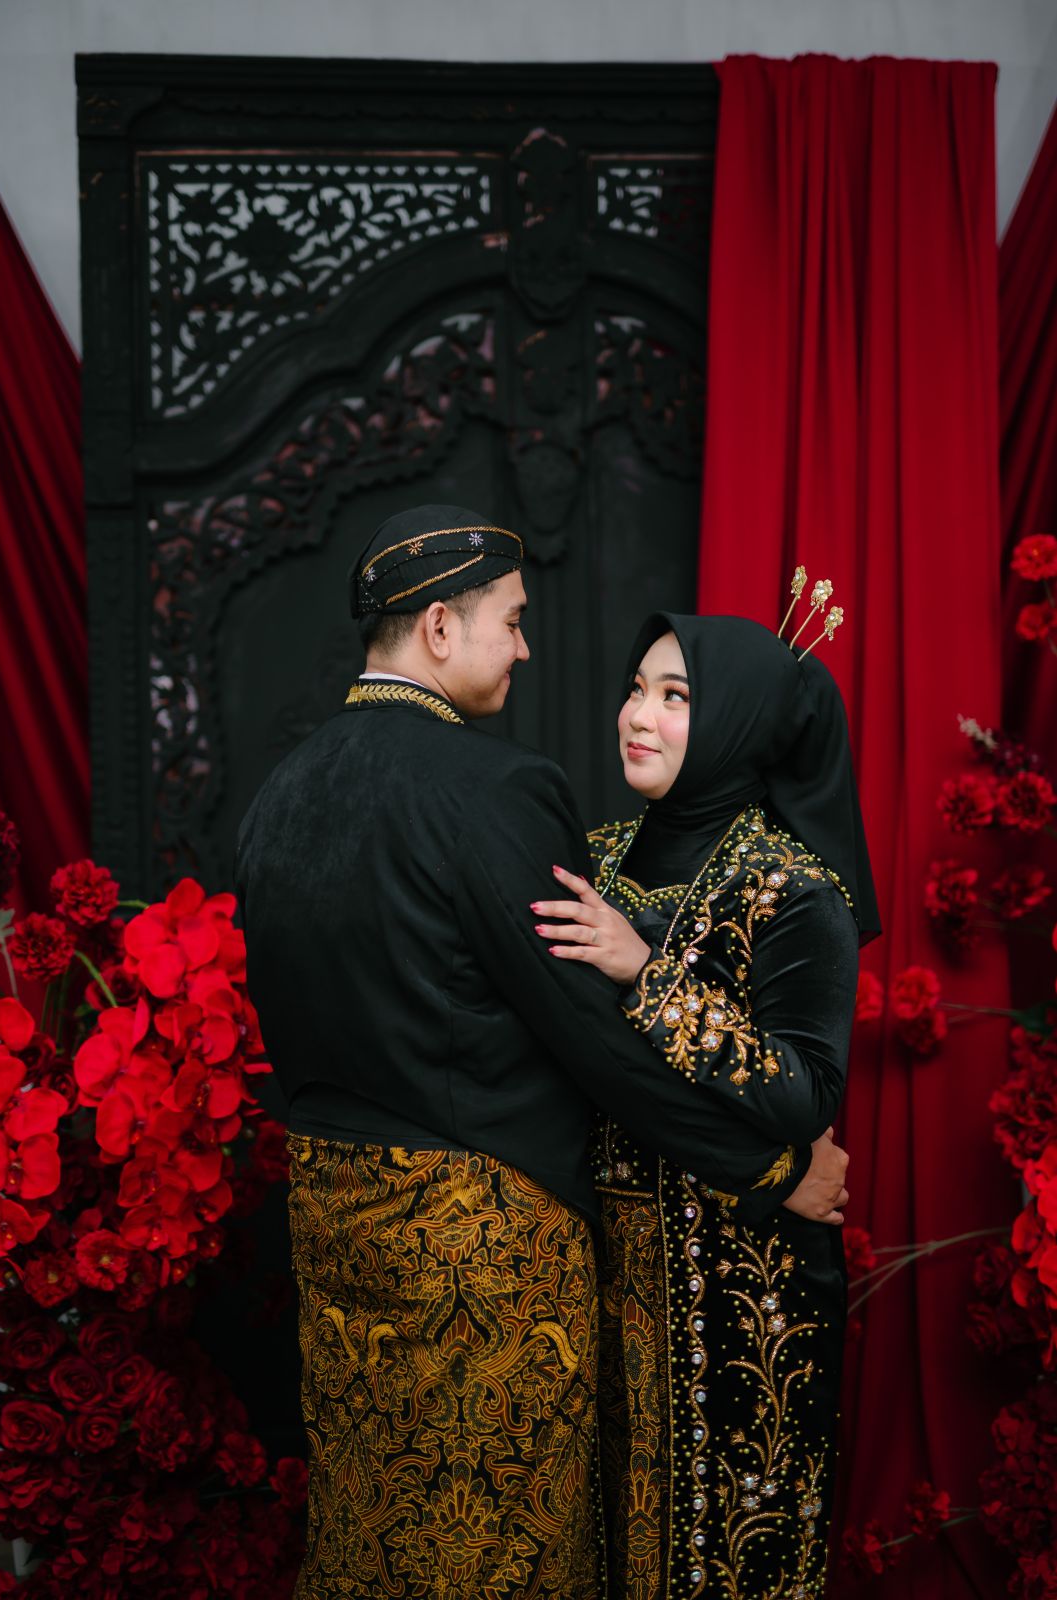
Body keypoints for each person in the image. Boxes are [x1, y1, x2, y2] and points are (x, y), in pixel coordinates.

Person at [235, 510, 849, 1598]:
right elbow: (589, 1044)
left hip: (333, 1232)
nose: (526, 648)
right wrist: (767, 1171)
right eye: (512, 622)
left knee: (373, 1535)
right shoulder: (494, 789)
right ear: (439, 628)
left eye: (675, 694)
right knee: (493, 1545)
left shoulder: (280, 791)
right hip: (475, 1247)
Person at [534, 610, 879, 1599]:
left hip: (743, 1296)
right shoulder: (592, 858)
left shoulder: (792, 889)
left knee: (722, 1562)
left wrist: (648, 974)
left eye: (676, 697)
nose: (637, 715)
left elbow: (805, 1092)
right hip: (596, 1279)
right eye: (636, 688)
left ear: (740, 721)